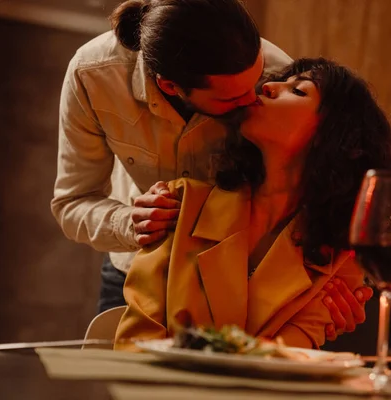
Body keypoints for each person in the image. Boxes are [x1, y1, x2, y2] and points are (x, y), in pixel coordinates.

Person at [51, 0, 371, 340]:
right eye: (231, 102)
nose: (257, 97)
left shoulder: (272, 73)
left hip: (251, 270)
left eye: (263, 82)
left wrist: (332, 303)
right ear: (170, 86)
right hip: (143, 262)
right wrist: (131, 223)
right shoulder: (94, 75)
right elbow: (73, 201)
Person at [114, 57, 391, 350]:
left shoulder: (340, 263)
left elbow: (281, 360)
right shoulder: (179, 203)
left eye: (298, 91)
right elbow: (136, 341)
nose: (268, 87)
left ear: (337, 136)